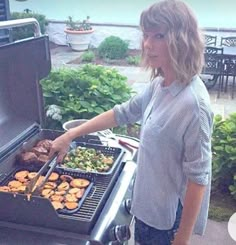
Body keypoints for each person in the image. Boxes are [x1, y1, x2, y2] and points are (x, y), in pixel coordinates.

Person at [49, 0, 213, 244]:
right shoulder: (160, 85)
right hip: (146, 207)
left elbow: (198, 179)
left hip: (166, 222)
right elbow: (121, 113)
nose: (148, 44)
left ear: (183, 39)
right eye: (146, 35)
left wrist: (182, 239)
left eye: (159, 35)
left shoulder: (193, 105)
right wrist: (70, 134)